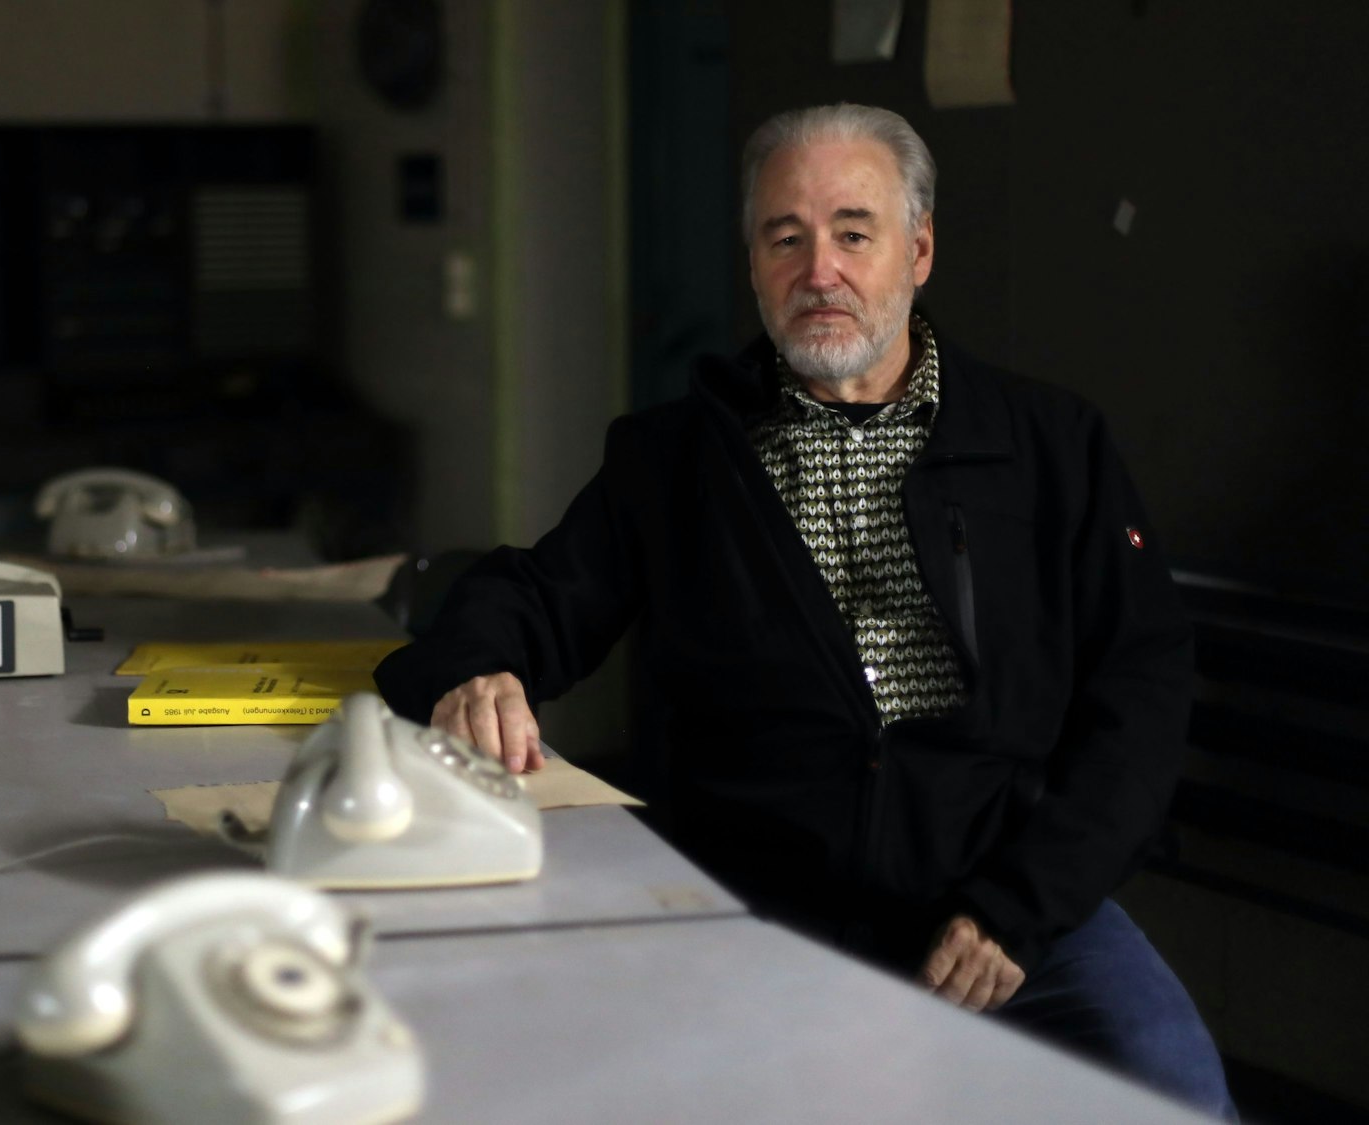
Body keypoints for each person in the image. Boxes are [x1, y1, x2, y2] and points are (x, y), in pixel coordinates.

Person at [374, 103, 1234, 1117]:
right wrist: (479, 669)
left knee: (1173, 1089)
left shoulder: (1050, 446)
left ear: (918, 251)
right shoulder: (677, 458)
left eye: (852, 234)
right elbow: (532, 595)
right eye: (785, 238)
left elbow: (1141, 692)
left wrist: (1018, 909)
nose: (818, 270)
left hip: (1007, 898)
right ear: (752, 263)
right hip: (753, 901)